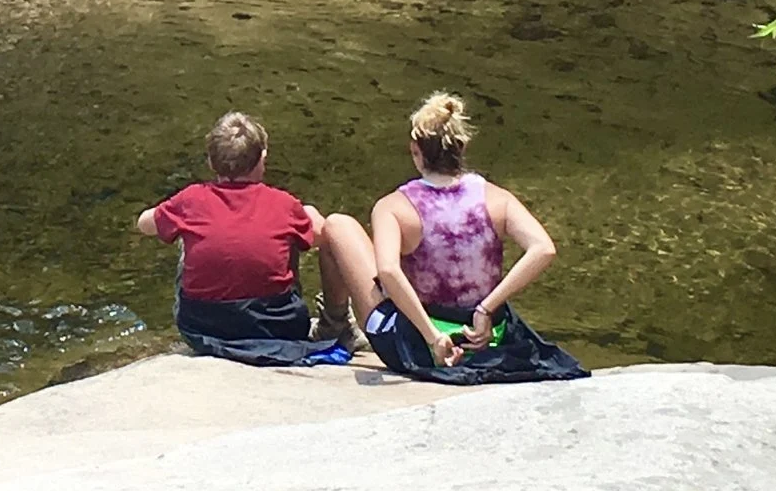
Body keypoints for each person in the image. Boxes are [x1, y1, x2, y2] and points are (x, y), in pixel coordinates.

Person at [344, 91, 588, 387]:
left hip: (424, 345)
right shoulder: (497, 198)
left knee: (339, 227)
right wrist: (486, 308)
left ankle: (334, 328)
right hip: (488, 341)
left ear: (415, 151)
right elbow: (543, 249)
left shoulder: (393, 207)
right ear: (462, 147)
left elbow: (388, 271)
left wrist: (433, 338)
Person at [139, 112, 355, 368]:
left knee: (186, 232)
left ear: (211, 161)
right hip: (279, 326)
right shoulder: (284, 204)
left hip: (203, 328)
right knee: (309, 232)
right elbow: (326, 235)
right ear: (262, 158)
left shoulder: (191, 199)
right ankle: (335, 323)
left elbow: (145, 224)